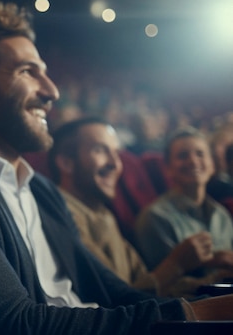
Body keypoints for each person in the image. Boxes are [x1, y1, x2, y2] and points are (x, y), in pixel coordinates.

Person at [0, 0, 233, 335]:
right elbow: (13, 323)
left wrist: (205, 308)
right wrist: (194, 315)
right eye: (28, 72)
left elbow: (117, 295)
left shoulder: (41, 189)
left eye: (45, 72)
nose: (52, 91)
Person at [49, 116, 227, 297]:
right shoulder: (63, 214)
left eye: (117, 153)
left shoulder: (103, 213)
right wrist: (176, 265)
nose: (116, 164)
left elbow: (146, 283)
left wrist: (218, 279)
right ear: (66, 163)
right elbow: (114, 301)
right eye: (100, 150)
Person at [135, 127, 233, 274]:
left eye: (200, 154)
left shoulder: (222, 215)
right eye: (183, 156)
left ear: (212, 165)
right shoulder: (155, 217)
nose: (193, 161)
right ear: (168, 168)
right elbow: (161, 287)